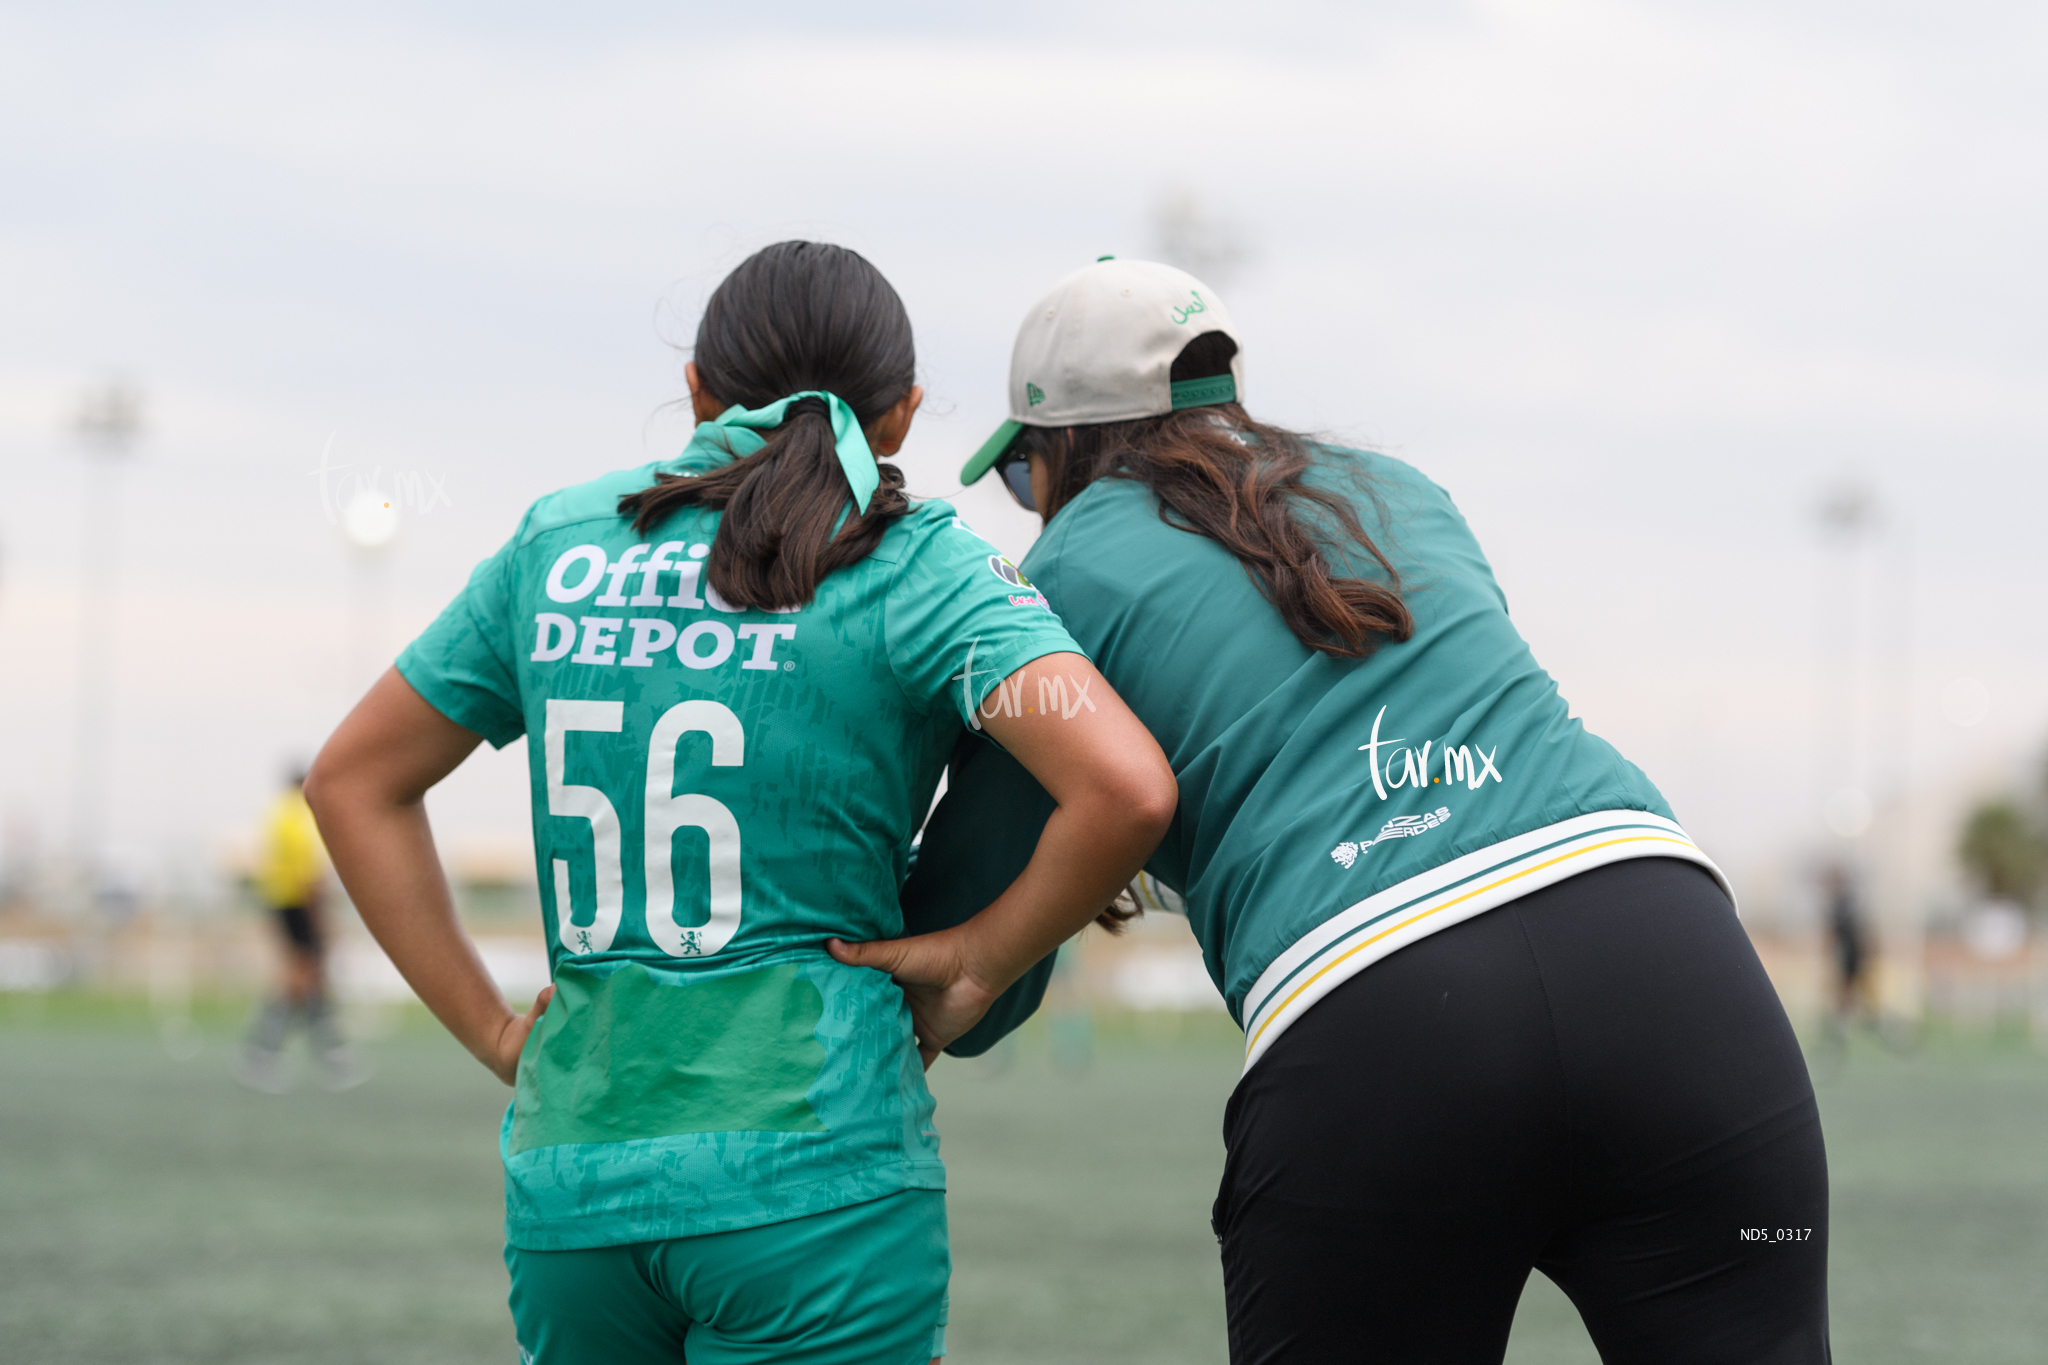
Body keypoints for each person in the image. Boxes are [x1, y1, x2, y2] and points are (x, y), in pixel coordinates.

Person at [848, 258, 1830, 1364]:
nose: (1034, 509)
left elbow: (975, 945)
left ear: (1063, 449)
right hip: (1678, 976)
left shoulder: (1064, 570)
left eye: (1022, 480)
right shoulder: (1398, 486)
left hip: (1385, 1026)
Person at [304, 242, 1176, 1365]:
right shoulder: (916, 563)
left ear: (698, 391)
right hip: (816, 1170)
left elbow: (352, 781)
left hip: (576, 1179)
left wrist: (489, 1031)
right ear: (902, 418)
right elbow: (1124, 786)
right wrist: (976, 961)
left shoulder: (556, 546)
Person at [238, 764, 360, 1092]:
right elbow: (309, 876)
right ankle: (266, 1051)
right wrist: (321, 921)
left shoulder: (276, 814)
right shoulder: (299, 819)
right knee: (302, 980)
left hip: (280, 904)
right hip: (299, 907)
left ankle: (328, 1052)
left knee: (306, 981)